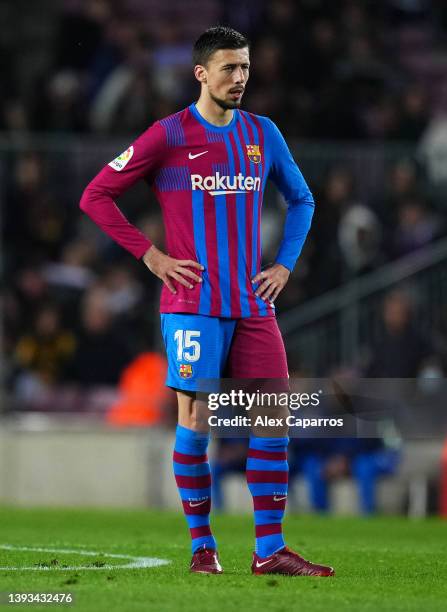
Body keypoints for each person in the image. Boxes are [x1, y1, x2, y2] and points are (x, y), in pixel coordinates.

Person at [80, 26, 334, 578]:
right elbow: (95, 195)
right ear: (201, 73)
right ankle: (203, 547)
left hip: (251, 304)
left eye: (244, 68)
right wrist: (151, 257)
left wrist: (285, 264)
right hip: (192, 304)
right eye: (228, 68)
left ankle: (270, 551)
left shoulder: (263, 134)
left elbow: (303, 200)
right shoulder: (168, 135)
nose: (239, 78)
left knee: (273, 418)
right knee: (196, 418)